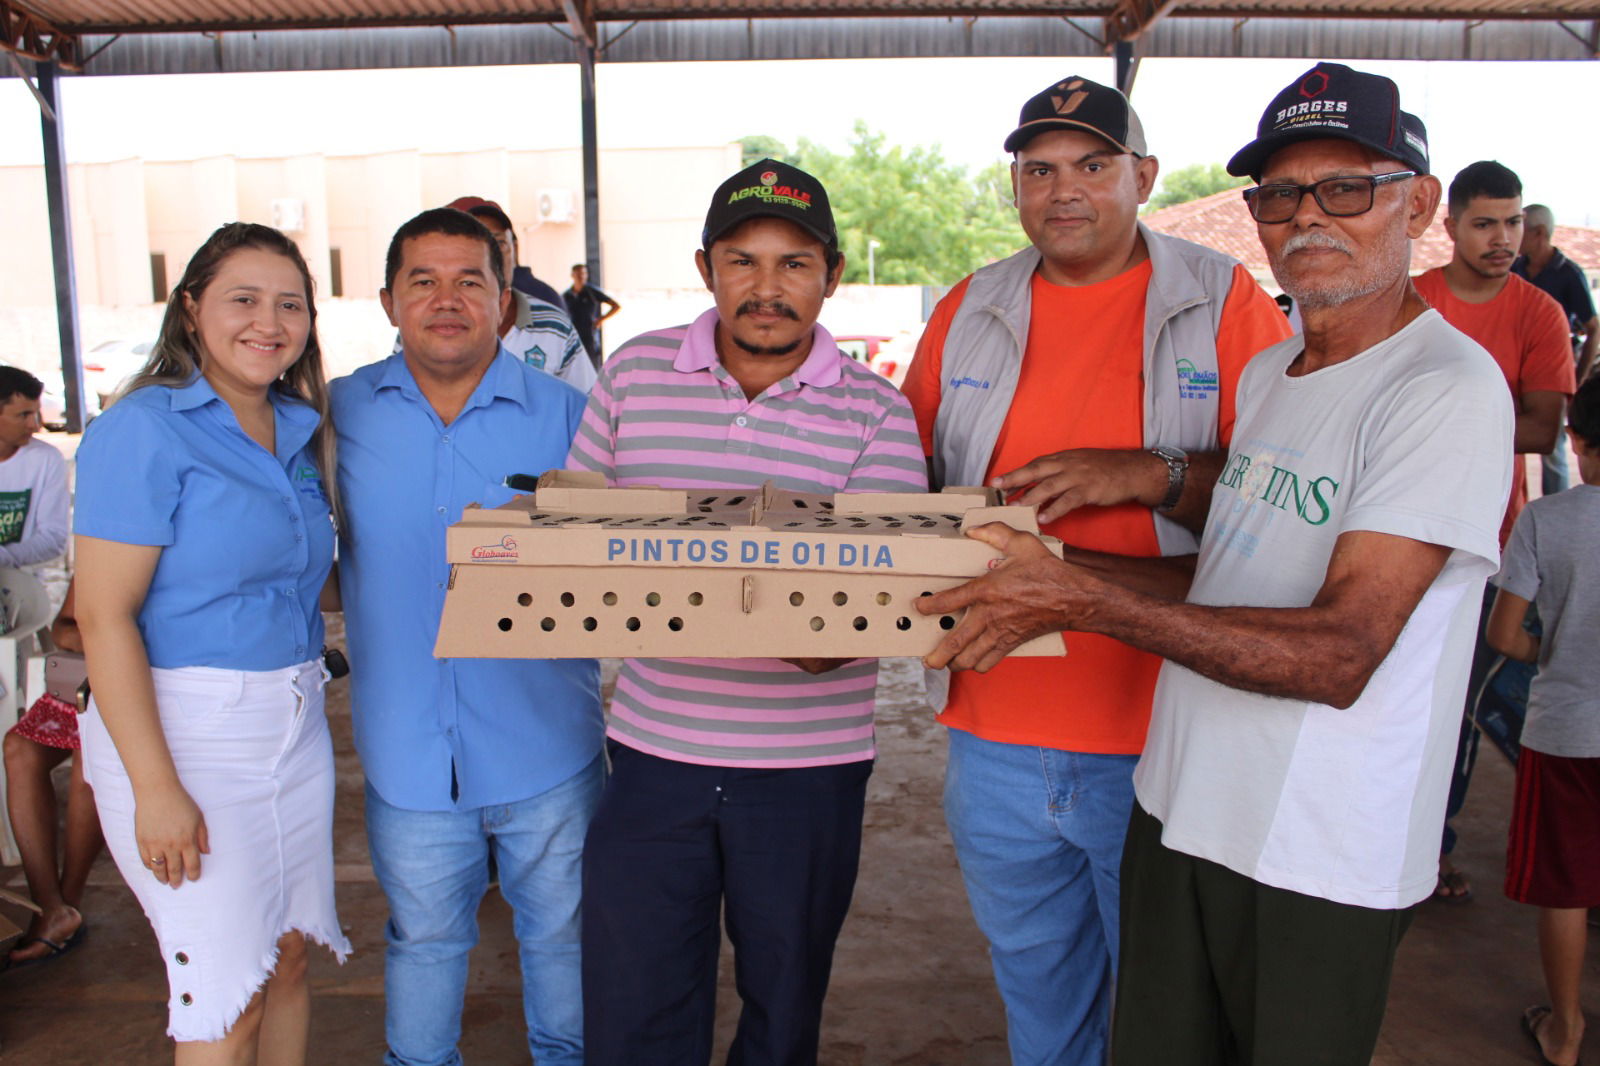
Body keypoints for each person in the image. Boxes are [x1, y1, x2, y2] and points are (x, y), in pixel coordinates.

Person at [916, 62, 1513, 1065]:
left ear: (1418, 203)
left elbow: (1340, 652)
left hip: (1314, 849)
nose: (1308, 217)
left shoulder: (1444, 388)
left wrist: (1075, 590)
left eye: (1345, 189)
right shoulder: (1278, 370)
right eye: (1280, 193)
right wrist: (1065, 569)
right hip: (1180, 804)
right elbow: (1229, 574)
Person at [899, 74, 1291, 1065]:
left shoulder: (1222, 300)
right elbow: (901, 477)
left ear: (1142, 176)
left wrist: (1149, 471)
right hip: (992, 732)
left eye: (1091, 164)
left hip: (1161, 728)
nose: (1062, 188)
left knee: (1169, 1012)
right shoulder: (969, 307)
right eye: (1038, 168)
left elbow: (1282, 494)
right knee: (1039, 996)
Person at [568, 158, 927, 1066]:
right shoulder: (635, 377)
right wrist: (779, 582)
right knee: (636, 999)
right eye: (743, 261)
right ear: (705, 269)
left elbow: (854, 627)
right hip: (654, 757)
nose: (767, 289)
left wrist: (676, 570)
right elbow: (579, 550)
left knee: (783, 1004)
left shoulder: (879, 413)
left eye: (795, 264)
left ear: (832, 275)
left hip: (808, 769)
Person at [73, 222, 350, 1060]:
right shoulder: (146, 428)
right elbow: (102, 615)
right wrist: (157, 788)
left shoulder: (298, 429)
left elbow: (302, 578)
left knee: (288, 957)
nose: (269, 323)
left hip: (293, 724)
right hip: (186, 735)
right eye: (243, 299)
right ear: (190, 309)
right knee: (225, 995)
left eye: (290, 305)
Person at [333, 207, 602, 1066]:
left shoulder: (573, 418)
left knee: (565, 943)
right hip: (407, 751)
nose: (447, 301)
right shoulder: (333, 417)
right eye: (424, 281)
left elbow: (622, 561)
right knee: (422, 940)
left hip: (547, 747)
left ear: (506, 303)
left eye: (470, 282)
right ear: (387, 300)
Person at [1413, 161, 1574, 904]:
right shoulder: (1414, 301)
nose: (1503, 237)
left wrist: (1435, 424)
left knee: (1458, 708)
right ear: (1450, 226)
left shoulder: (1538, 312)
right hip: (1400, 530)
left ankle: (1432, 847)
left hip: (1485, 543)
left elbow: (1543, 428)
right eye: (1485, 223)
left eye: (1512, 223)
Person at [1488, 374, 1600, 1066]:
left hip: (1566, 732)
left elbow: (1504, 637)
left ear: (1577, 441)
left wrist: (1550, 648)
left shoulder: (1547, 522)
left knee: (1565, 885)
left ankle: (1564, 1030)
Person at [3, 581, 102, 966]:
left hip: (148, 687)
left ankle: (69, 901)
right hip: (89, 683)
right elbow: (63, 628)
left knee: (90, 753)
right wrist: (104, 633)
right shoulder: (108, 539)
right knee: (20, 749)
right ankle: (49, 906)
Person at [442, 197, 595, 391]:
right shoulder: (425, 325)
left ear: (515, 249)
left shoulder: (554, 327)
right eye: (472, 244)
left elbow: (590, 408)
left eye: (498, 242)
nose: (489, 255)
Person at [1515, 203, 1599, 494]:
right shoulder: (1515, 268)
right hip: (1517, 365)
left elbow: (1593, 327)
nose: (1512, 234)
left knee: (1552, 446)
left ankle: (1557, 510)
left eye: (1518, 226)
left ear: (1538, 233)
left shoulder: (1568, 274)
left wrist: (1578, 378)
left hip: (1554, 368)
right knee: (1510, 441)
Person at [0, 366, 69, 609]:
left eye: (37, 413)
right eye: (24, 415)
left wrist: (5, 557)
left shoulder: (45, 459)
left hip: (18, 591)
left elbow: (54, 539)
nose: (35, 425)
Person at [562, 263, 620, 370]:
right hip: (573, 336)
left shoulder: (592, 292)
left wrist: (601, 320)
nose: (582, 276)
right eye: (578, 273)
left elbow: (616, 306)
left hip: (590, 335)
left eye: (584, 273)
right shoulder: (566, 295)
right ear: (572, 275)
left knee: (593, 366)